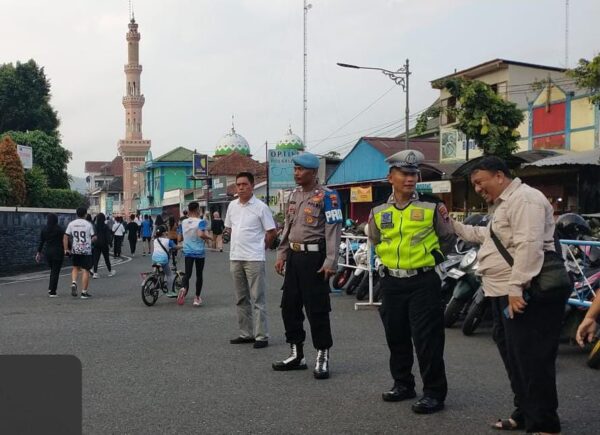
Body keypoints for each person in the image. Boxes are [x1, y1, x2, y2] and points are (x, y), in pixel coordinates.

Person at [452, 156, 564, 434]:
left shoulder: (525, 199)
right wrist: (451, 224)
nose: (478, 189)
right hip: (501, 291)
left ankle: (545, 424)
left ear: (499, 176)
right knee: (516, 358)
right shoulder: (504, 205)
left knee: (533, 360)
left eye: (480, 182)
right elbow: (486, 235)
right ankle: (525, 413)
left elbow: (529, 244)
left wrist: (516, 289)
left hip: (525, 293)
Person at [367, 149, 453, 414]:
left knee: (427, 340)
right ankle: (403, 384)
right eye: (405, 173)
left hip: (423, 281)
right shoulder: (379, 209)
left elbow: (447, 238)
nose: (410, 178)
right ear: (390, 176)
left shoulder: (431, 205)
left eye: (414, 173)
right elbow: (375, 238)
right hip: (391, 282)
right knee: (397, 337)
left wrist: (431, 259)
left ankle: (434, 393)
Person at [273, 152, 342, 379]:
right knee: (289, 307)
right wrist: (281, 254)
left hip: (315, 259)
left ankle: (322, 356)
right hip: (294, 257)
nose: (296, 173)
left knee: (317, 310)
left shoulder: (328, 197)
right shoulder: (293, 196)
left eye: (301, 169)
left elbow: (333, 230)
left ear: (313, 172)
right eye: (295, 169)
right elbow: (287, 228)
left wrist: (331, 261)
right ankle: (297, 353)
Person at [225, 172, 277, 349]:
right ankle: (245, 333)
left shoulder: (261, 207)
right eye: (238, 184)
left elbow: (271, 232)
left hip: (254, 258)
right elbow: (228, 229)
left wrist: (262, 248)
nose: (240, 187)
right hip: (236, 257)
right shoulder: (232, 206)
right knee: (241, 298)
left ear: (252, 186)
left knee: (258, 299)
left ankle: (261, 336)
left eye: (244, 184)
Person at [177, 201, 212, 307]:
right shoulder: (201, 222)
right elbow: (201, 234)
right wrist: (209, 237)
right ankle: (196, 298)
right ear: (197, 209)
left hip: (187, 251)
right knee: (199, 275)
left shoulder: (183, 222)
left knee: (187, 274)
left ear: (188, 210)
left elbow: (179, 238)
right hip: (199, 252)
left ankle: (183, 287)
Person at [64, 207, 96, 299]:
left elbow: (65, 236)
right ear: (85, 214)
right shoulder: (88, 224)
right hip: (86, 250)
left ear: (77, 214)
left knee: (75, 267)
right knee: (85, 270)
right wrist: (92, 240)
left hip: (75, 249)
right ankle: (84, 292)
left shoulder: (71, 224)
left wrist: (66, 249)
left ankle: (74, 282)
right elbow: (93, 237)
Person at [36, 213, 65, 297]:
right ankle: (52, 291)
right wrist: (68, 249)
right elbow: (65, 240)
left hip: (48, 253)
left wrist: (38, 253)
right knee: (55, 272)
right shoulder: (59, 229)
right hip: (58, 252)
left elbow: (41, 242)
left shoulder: (44, 229)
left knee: (53, 271)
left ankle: (51, 288)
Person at [152, 224, 178, 297]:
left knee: (158, 273)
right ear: (164, 233)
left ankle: (156, 283)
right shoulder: (167, 240)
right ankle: (169, 292)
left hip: (154, 258)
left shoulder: (155, 240)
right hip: (163, 260)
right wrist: (183, 246)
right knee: (170, 275)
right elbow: (175, 247)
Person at [92, 213, 115, 278]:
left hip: (96, 244)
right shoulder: (105, 226)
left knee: (96, 259)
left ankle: (95, 273)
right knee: (106, 258)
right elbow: (108, 236)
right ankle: (110, 271)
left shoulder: (95, 226)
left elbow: (93, 235)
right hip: (104, 244)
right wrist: (110, 244)